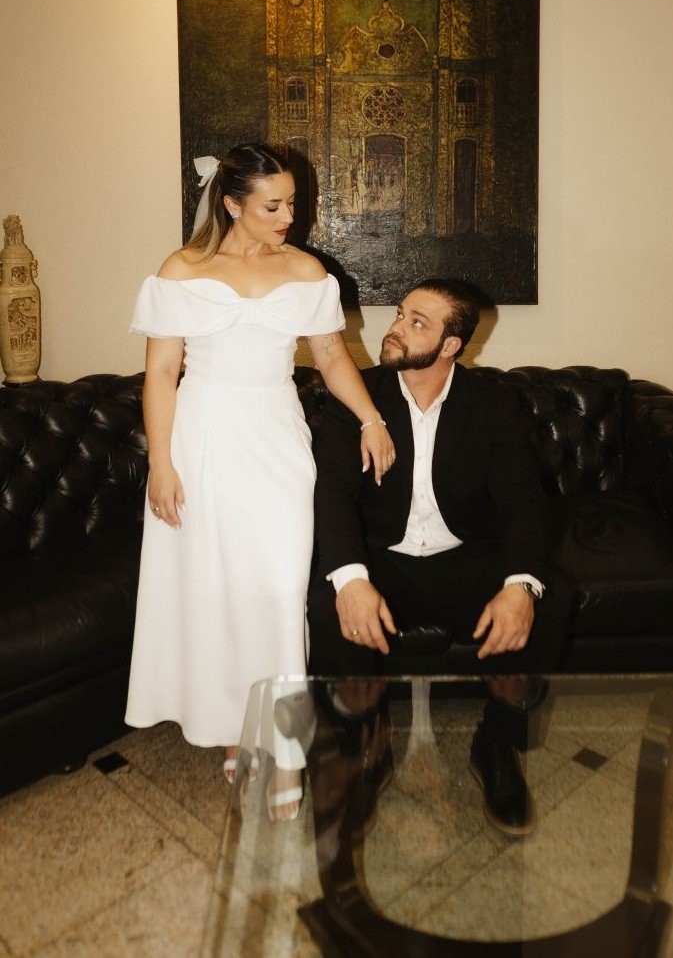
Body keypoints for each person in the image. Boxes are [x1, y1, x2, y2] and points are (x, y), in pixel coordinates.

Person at [125, 143, 395, 820]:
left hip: (276, 442)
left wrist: (370, 418)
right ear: (231, 203)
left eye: (291, 204)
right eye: (272, 206)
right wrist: (161, 462)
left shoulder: (306, 271)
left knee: (278, 594)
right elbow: (161, 373)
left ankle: (286, 750)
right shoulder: (181, 271)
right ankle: (231, 728)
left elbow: (332, 358)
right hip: (202, 443)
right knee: (216, 593)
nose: (287, 217)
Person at [307, 277, 571, 834]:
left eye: (417, 323)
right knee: (328, 600)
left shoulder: (492, 403)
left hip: (463, 557)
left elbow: (523, 501)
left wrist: (519, 585)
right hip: (384, 559)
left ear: (452, 345)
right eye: (400, 314)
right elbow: (333, 492)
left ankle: (496, 744)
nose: (396, 329)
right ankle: (365, 745)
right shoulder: (357, 395)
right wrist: (351, 579)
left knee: (550, 596)